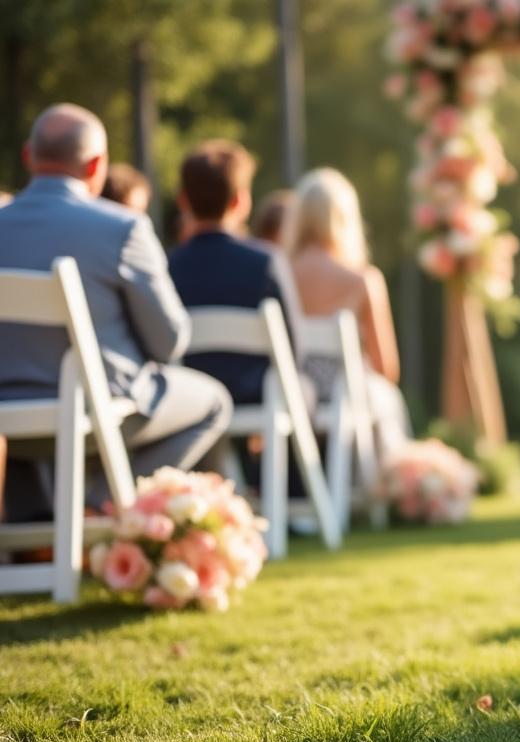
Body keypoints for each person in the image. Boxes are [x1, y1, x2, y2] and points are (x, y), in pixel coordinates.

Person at [0, 104, 231, 521]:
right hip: (97, 412)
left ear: (28, 157)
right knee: (213, 402)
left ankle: (34, 531)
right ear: (95, 165)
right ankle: (103, 508)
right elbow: (169, 341)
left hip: (6, 421)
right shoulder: (122, 228)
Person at [168, 139, 304, 405]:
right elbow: (293, 348)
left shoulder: (167, 266)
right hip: (259, 398)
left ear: (183, 201)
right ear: (241, 201)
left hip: (193, 398)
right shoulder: (266, 262)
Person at [284, 168, 409, 455]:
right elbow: (387, 368)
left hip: (292, 396)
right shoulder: (363, 280)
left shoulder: (277, 274)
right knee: (388, 399)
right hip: (346, 399)